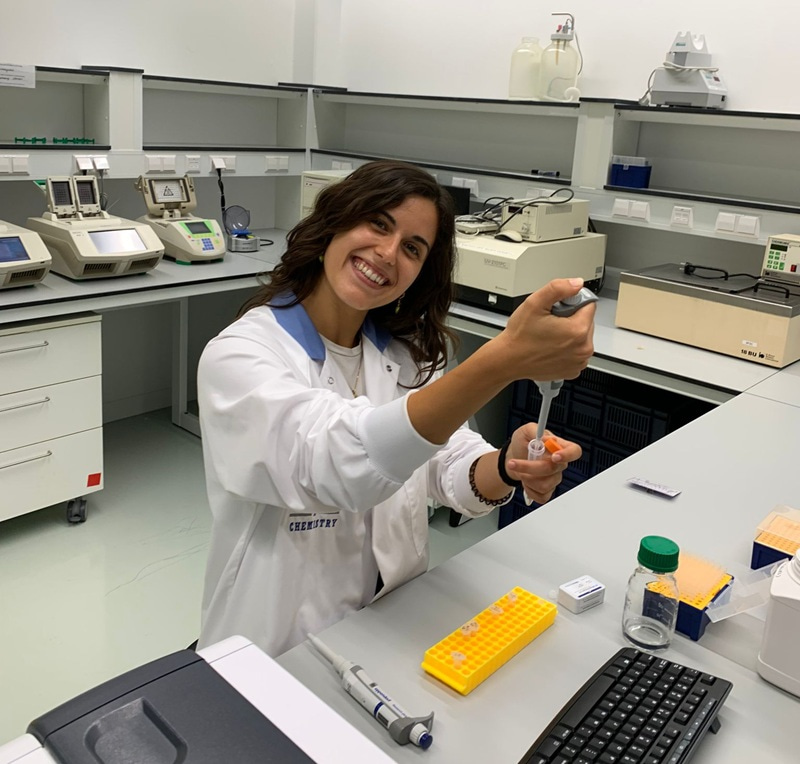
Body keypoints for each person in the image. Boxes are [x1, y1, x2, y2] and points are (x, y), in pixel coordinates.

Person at [196, 160, 595, 657]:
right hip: (279, 646)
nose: (387, 254)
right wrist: (501, 361)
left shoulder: (401, 356)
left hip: (393, 625)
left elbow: (448, 466)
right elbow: (337, 465)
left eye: (412, 248)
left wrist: (507, 466)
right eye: (377, 224)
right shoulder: (241, 355)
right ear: (333, 224)